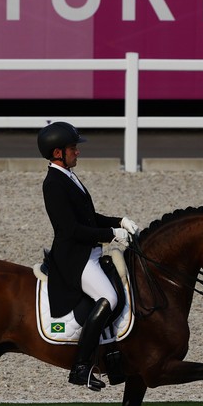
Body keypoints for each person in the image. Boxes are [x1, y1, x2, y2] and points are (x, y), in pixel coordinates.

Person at [37, 122, 139, 391]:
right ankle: (81, 367)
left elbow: (89, 218)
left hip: (89, 251)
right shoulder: (53, 183)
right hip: (75, 258)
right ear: (57, 152)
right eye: (73, 148)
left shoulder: (69, 176)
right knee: (110, 298)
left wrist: (120, 221)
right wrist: (111, 234)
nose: (77, 152)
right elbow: (70, 229)